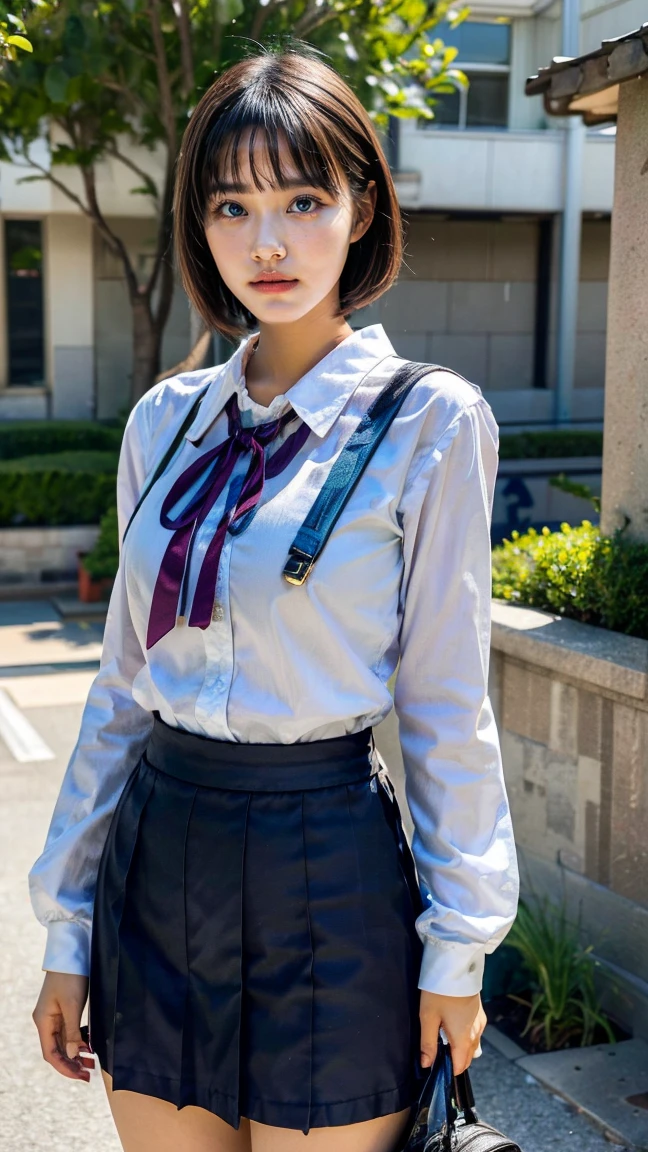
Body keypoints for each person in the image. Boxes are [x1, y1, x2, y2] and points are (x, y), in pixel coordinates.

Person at [29, 43, 519, 1152]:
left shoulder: (430, 422)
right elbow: (121, 688)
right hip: (158, 865)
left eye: (303, 198)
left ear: (360, 207)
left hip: (328, 867)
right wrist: (68, 929)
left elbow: (447, 703)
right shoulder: (165, 420)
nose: (267, 240)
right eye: (232, 206)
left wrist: (458, 950)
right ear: (200, 230)